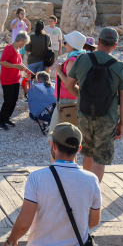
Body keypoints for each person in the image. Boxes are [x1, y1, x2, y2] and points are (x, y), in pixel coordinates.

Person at [4, 123, 101, 246]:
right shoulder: (91, 179)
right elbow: (94, 221)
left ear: (54, 146)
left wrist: (11, 240)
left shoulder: (36, 177)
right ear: (79, 149)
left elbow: (23, 224)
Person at [56, 28, 123, 182]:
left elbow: (69, 85)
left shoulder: (83, 59)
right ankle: (93, 193)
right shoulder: (120, 67)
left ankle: (83, 186)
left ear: (99, 42)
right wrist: (122, 124)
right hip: (107, 117)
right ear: (115, 45)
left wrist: (82, 97)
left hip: (84, 114)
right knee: (100, 158)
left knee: (87, 153)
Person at [49, 31, 86, 160]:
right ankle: (70, 165)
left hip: (66, 101)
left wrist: (59, 71)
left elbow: (70, 84)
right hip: (74, 100)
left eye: (66, 43)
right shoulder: (82, 57)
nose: (64, 45)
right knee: (70, 139)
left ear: (71, 45)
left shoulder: (72, 60)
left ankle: (56, 168)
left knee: (53, 138)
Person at [0, 31, 32, 131]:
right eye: (24, 43)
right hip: (7, 79)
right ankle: (0, 121)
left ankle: (6, 118)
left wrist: (27, 70)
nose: (24, 45)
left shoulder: (18, 49)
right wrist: (15, 66)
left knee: (14, 100)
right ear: (21, 40)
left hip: (16, 78)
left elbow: (20, 64)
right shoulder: (9, 48)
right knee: (8, 101)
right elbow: (2, 62)